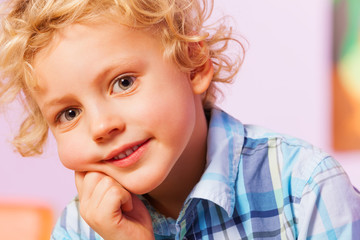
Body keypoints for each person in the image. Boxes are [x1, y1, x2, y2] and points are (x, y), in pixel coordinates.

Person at [0, 0, 359, 239]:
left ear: (194, 64)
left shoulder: (306, 187)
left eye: (123, 83)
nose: (100, 126)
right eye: (69, 113)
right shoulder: (80, 228)